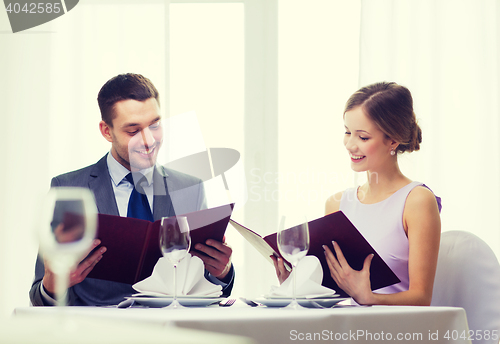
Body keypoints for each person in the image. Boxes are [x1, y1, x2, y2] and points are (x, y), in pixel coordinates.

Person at [30, 73, 234, 306]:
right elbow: (39, 296)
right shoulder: (67, 189)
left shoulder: (191, 188)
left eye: (155, 125)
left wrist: (222, 272)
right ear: (107, 131)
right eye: (133, 130)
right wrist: (53, 286)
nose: (149, 141)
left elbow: (206, 286)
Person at [273, 82, 441, 306]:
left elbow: (421, 298)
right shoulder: (337, 203)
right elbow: (330, 290)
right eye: (347, 132)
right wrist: (297, 286)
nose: (350, 145)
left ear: (392, 140)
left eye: (362, 137)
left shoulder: (417, 200)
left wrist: (370, 298)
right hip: (345, 328)